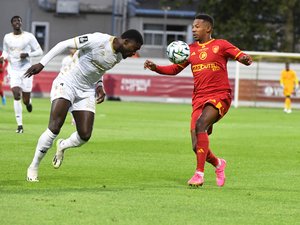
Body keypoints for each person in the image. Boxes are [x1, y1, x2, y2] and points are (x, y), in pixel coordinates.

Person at [144, 14, 252, 187]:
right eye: (193, 26)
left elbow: (240, 56)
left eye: (197, 26)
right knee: (196, 146)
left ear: (208, 28)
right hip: (199, 98)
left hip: (220, 95)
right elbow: (174, 69)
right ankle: (218, 163)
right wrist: (156, 67)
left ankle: (199, 174)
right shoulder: (189, 50)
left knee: (201, 125)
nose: (193, 29)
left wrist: (245, 59)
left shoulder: (221, 45)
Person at [25, 29, 143, 182]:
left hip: (87, 90)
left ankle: (62, 145)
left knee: (85, 135)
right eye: (135, 48)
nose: (134, 53)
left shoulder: (120, 55)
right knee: (55, 126)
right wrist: (42, 63)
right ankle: (34, 166)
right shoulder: (97, 40)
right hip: (67, 82)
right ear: (125, 41)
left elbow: (99, 69)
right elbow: (63, 44)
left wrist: (100, 85)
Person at [0, 15, 43, 133]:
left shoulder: (29, 37)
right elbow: (5, 51)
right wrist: (2, 57)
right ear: (12, 24)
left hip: (27, 70)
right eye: (14, 21)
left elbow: (39, 51)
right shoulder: (7, 37)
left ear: (21, 23)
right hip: (13, 70)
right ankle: (20, 125)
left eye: (19, 20)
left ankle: (28, 103)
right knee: (16, 95)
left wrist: (28, 55)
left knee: (25, 99)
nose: (17, 22)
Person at [60, 48, 79, 125]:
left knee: (76, 101)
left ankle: (75, 117)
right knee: (67, 100)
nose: (72, 50)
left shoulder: (79, 58)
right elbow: (62, 70)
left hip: (77, 82)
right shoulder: (66, 59)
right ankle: (73, 117)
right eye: (71, 48)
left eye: (74, 49)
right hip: (67, 81)